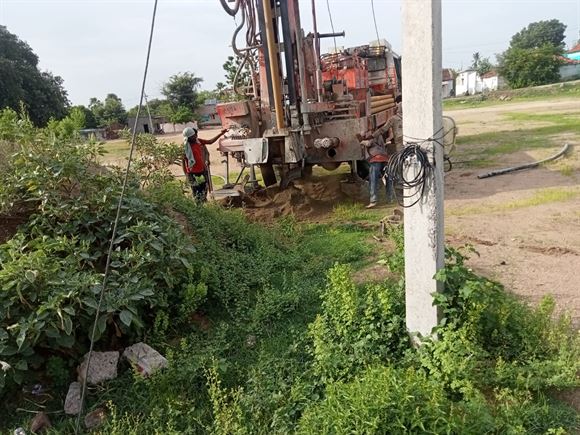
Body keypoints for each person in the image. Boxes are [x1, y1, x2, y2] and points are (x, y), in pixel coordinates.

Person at [182, 127, 228, 202]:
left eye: (195, 135)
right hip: (192, 173)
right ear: (188, 138)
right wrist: (186, 174)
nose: (195, 137)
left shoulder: (198, 141)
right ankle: (199, 209)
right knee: (196, 193)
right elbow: (183, 162)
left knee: (203, 191)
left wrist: (221, 133)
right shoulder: (185, 147)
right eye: (193, 136)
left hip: (201, 171)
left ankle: (203, 208)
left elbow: (210, 141)